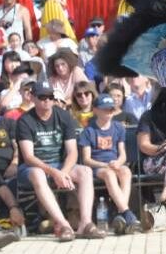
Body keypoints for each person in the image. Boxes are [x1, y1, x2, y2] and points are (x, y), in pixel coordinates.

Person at [15, 81, 105, 241]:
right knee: (37, 174)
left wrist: (62, 173)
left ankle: (85, 222)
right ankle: (64, 224)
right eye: (42, 97)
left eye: (50, 97)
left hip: (59, 165)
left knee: (85, 171)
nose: (47, 100)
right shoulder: (25, 121)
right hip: (32, 168)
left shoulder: (63, 116)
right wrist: (55, 173)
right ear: (32, 98)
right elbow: (28, 157)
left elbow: (72, 152)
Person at [78, 94, 140, 234]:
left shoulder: (118, 127)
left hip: (114, 163)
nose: (109, 112)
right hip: (98, 167)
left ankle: (120, 214)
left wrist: (118, 162)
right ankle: (127, 212)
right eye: (105, 109)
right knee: (109, 174)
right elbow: (87, 159)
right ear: (96, 110)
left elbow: (122, 154)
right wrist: (104, 165)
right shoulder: (88, 131)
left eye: (111, 109)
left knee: (126, 172)